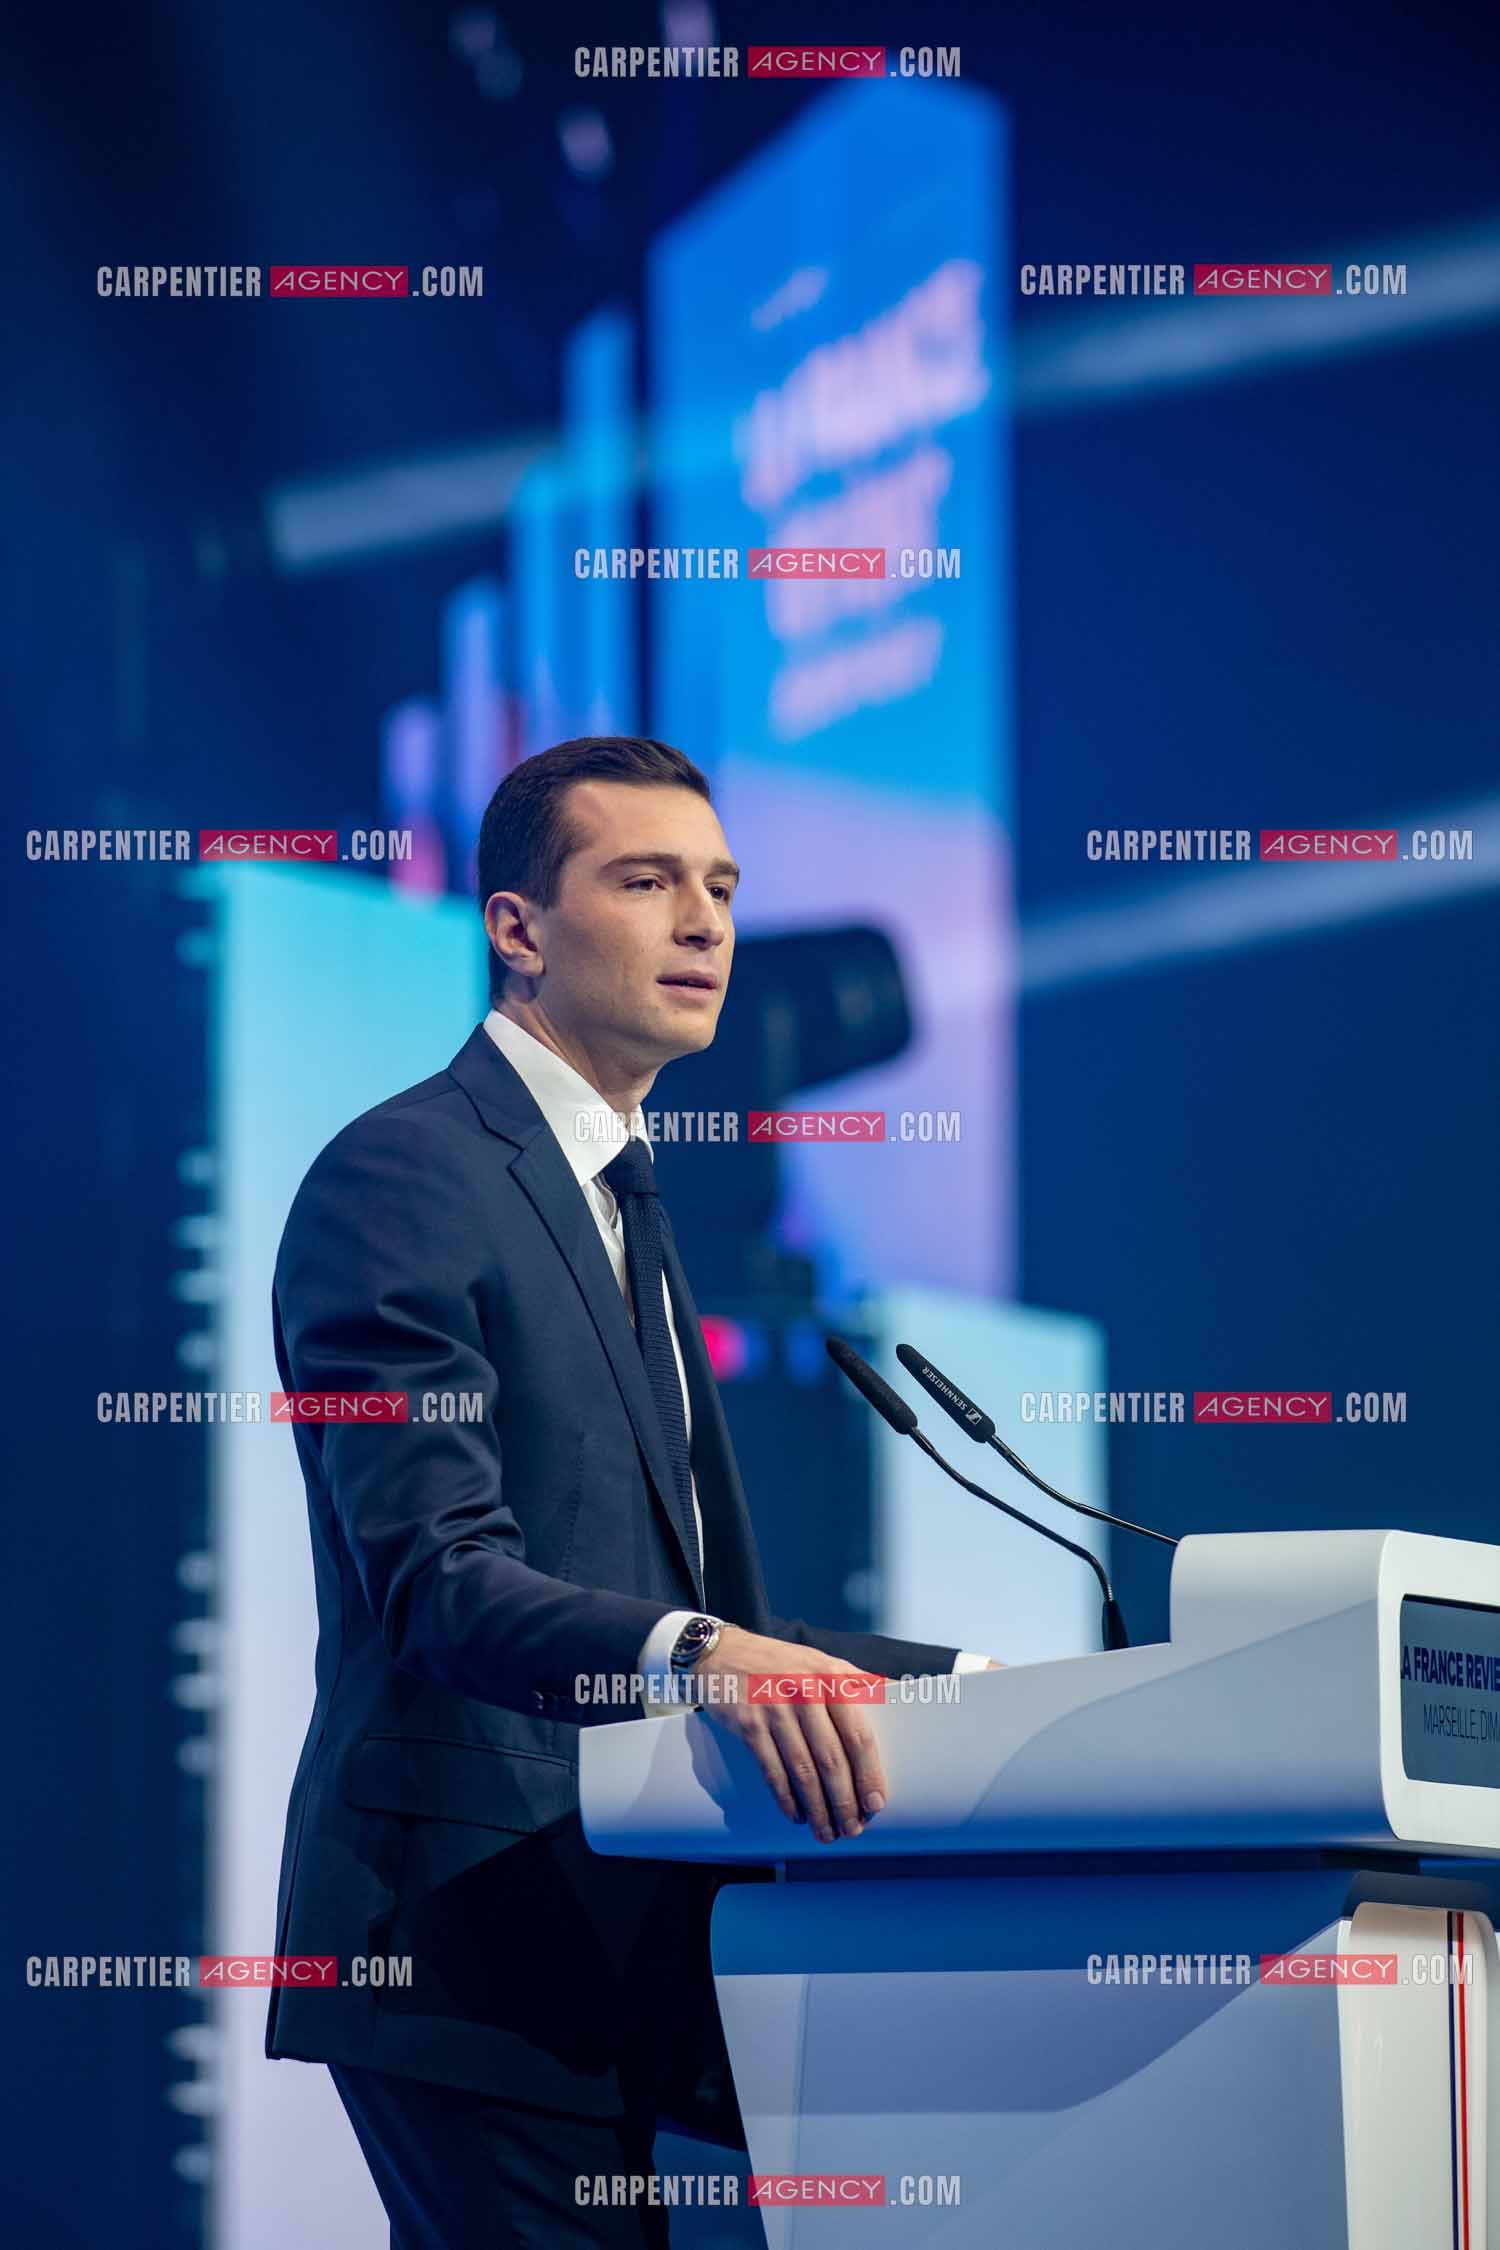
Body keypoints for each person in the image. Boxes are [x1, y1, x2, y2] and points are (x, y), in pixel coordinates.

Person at [264, 735, 999, 2246]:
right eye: (647, 879)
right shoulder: (402, 1179)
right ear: (516, 927)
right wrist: (708, 1655)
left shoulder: (629, 1203)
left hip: (634, 1939)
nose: (707, 922)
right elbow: (442, 1583)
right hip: (463, 1935)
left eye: (721, 885)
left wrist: (988, 1693)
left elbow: (728, 1619)